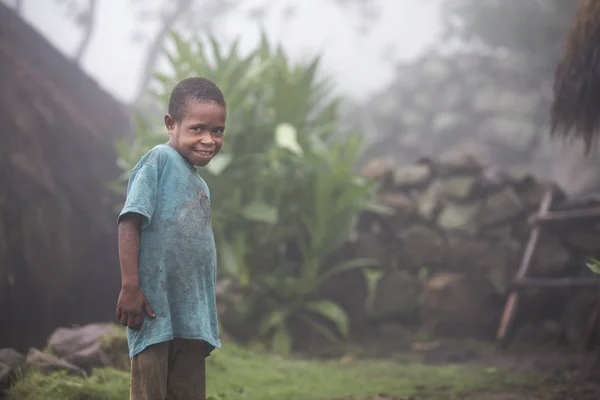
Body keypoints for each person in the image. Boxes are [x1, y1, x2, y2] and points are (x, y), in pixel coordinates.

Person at [116, 76, 226, 400]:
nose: (208, 139)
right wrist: (130, 286)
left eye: (217, 131)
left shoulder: (201, 186)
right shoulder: (158, 161)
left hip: (191, 320)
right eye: (197, 129)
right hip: (154, 313)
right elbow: (129, 222)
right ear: (171, 124)